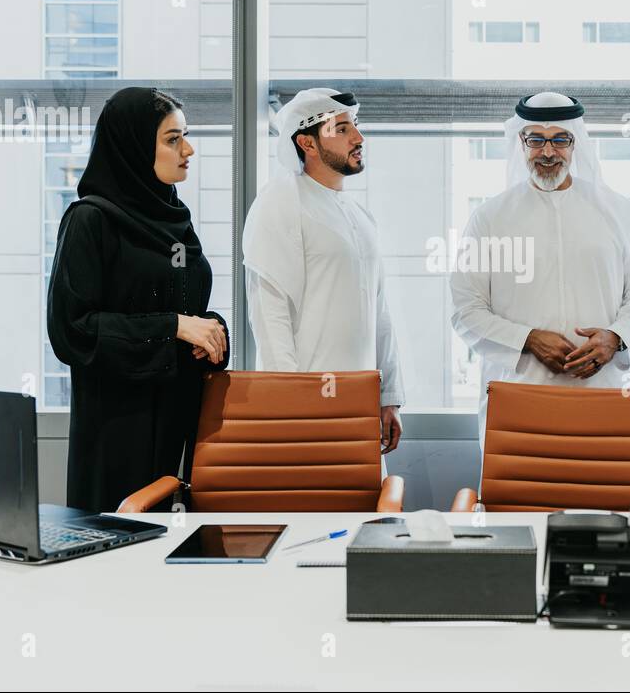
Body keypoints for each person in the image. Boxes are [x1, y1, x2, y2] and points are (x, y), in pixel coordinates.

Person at [48, 87, 229, 512]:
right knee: (118, 559)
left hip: (180, 420)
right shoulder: (89, 220)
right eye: (172, 139)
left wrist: (209, 329)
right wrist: (174, 327)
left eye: (185, 135)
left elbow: (185, 304)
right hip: (118, 430)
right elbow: (72, 330)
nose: (188, 149)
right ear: (131, 145)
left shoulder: (174, 220)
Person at [451, 91, 630, 443]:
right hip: (518, 396)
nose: (548, 152)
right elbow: (465, 310)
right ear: (521, 142)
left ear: (575, 143)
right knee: (518, 496)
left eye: (560, 139)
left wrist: (615, 337)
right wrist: (528, 340)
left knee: (598, 495)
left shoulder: (617, 211)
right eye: (537, 140)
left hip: (600, 393)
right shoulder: (489, 218)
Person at [241, 88, 405, 454]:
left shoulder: (360, 215)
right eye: (342, 129)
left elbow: (379, 314)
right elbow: (270, 316)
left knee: (363, 509)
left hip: (360, 401)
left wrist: (388, 396)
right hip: (307, 407)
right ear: (307, 143)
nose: (358, 138)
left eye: (356, 126)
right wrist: (295, 405)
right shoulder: (280, 203)